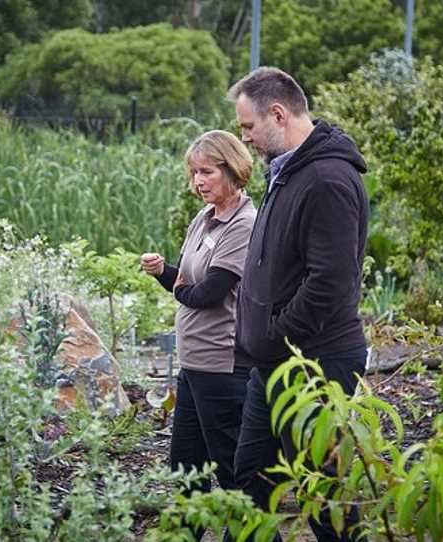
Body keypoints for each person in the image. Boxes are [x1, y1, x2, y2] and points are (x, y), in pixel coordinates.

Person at [228, 67, 370, 541]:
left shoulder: (327, 179)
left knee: (321, 495)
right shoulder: (288, 172)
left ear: (278, 113)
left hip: (314, 360)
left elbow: (330, 281)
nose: (244, 137)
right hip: (277, 361)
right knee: (249, 485)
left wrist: (273, 336)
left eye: (248, 126)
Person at [140, 130, 257, 539]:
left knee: (230, 471)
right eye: (193, 173)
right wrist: (162, 273)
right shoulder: (204, 218)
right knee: (186, 468)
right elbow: (186, 283)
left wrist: (179, 287)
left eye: (206, 171)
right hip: (193, 365)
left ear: (233, 169)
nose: (198, 181)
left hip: (222, 364)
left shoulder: (244, 223)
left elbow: (207, 294)